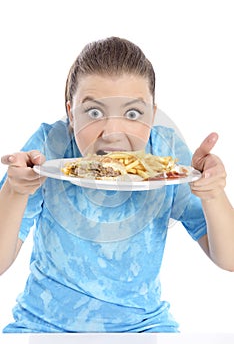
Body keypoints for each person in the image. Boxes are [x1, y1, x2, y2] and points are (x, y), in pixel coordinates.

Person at [0, 37, 233, 333]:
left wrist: (213, 194)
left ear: (152, 114)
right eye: (94, 113)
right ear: (72, 114)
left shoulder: (167, 154)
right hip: (43, 327)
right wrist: (15, 191)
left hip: (144, 328)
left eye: (133, 114)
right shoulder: (50, 148)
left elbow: (229, 259)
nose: (112, 133)